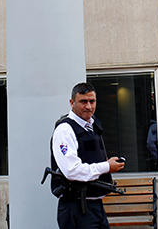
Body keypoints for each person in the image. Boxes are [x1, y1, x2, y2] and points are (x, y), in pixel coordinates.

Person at [50, 82, 125, 229]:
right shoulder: (65, 130)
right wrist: (107, 166)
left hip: (95, 206)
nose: (89, 107)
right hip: (76, 209)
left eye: (92, 101)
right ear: (72, 103)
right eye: (83, 102)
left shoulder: (92, 126)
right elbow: (72, 170)